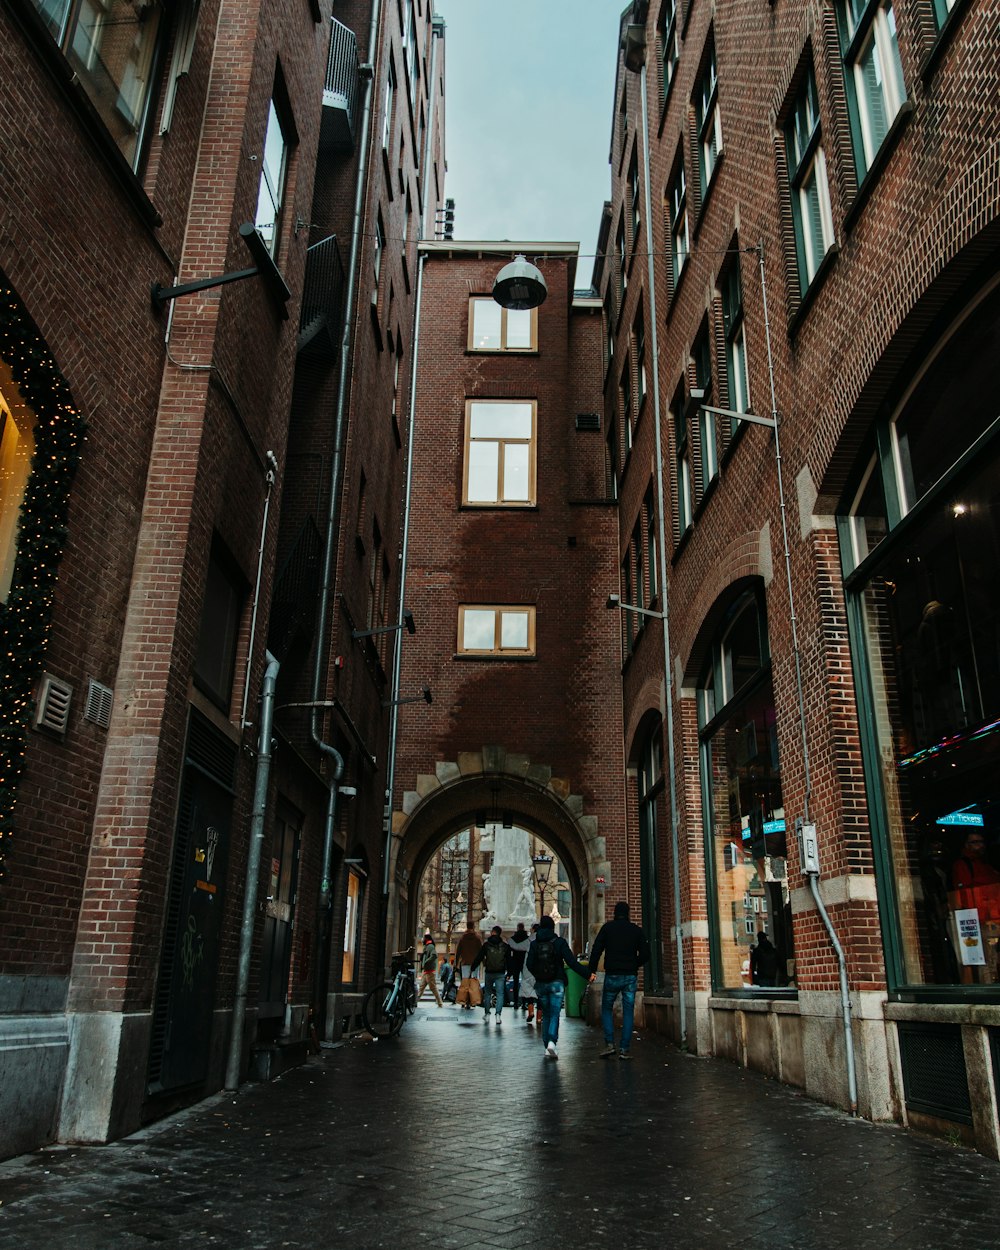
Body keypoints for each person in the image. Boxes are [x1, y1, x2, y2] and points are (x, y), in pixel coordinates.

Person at [587, 900, 650, 1059]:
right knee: (628, 1011)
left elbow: (596, 949)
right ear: (628, 913)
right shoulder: (636, 930)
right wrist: (634, 964)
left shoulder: (608, 928)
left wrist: (591, 970)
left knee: (606, 1008)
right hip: (630, 976)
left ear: (615, 913)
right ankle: (624, 1049)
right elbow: (646, 954)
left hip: (613, 974)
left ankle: (609, 1044)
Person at [525, 914, 593, 1060]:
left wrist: (538, 975)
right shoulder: (560, 942)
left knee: (546, 1014)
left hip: (541, 984)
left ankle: (546, 1046)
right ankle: (551, 1042)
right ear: (552, 927)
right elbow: (572, 963)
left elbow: (529, 964)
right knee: (555, 1013)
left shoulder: (534, 944)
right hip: (557, 982)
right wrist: (588, 975)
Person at [471, 924, 511, 1024]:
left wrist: (473, 967)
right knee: (500, 994)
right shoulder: (505, 946)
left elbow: (479, 957)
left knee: (488, 993)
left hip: (489, 972)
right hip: (500, 973)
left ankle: (487, 1014)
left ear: (493, 932)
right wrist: (509, 973)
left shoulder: (486, 945)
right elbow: (509, 960)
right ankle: (498, 1015)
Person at [453, 920, 483, 1010]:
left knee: (465, 982)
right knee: (473, 982)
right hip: (475, 964)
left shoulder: (463, 938)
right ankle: (472, 1001)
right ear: (473, 926)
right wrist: (483, 962)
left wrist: (456, 963)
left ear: (467, 926)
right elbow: (481, 951)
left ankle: (464, 1000)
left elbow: (458, 952)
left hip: (465, 963)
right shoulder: (477, 938)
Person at [415, 934, 443, 1006]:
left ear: (426, 939)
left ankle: (440, 1002)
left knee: (433, 987)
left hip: (429, 971)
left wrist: (426, 962)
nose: (422, 940)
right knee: (422, 987)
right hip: (426, 971)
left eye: (424, 938)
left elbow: (434, 955)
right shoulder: (427, 946)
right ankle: (415, 1002)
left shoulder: (430, 946)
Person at [508, 921, 530, 1008]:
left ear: (517, 928)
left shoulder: (513, 939)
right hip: (524, 961)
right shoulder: (527, 939)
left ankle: (516, 1002)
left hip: (515, 962)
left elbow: (510, 953)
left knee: (515, 983)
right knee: (524, 982)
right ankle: (524, 1002)